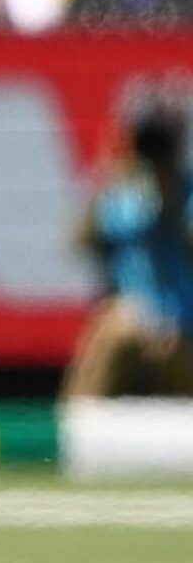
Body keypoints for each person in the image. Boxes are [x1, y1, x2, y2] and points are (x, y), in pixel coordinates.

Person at [61, 91, 193, 399]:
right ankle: (75, 435)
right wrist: (110, 170)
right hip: (126, 321)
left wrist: (170, 200)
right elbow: (79, 241)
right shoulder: (117, 189)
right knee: (109, 339)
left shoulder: (187, 190)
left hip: (184, 327)